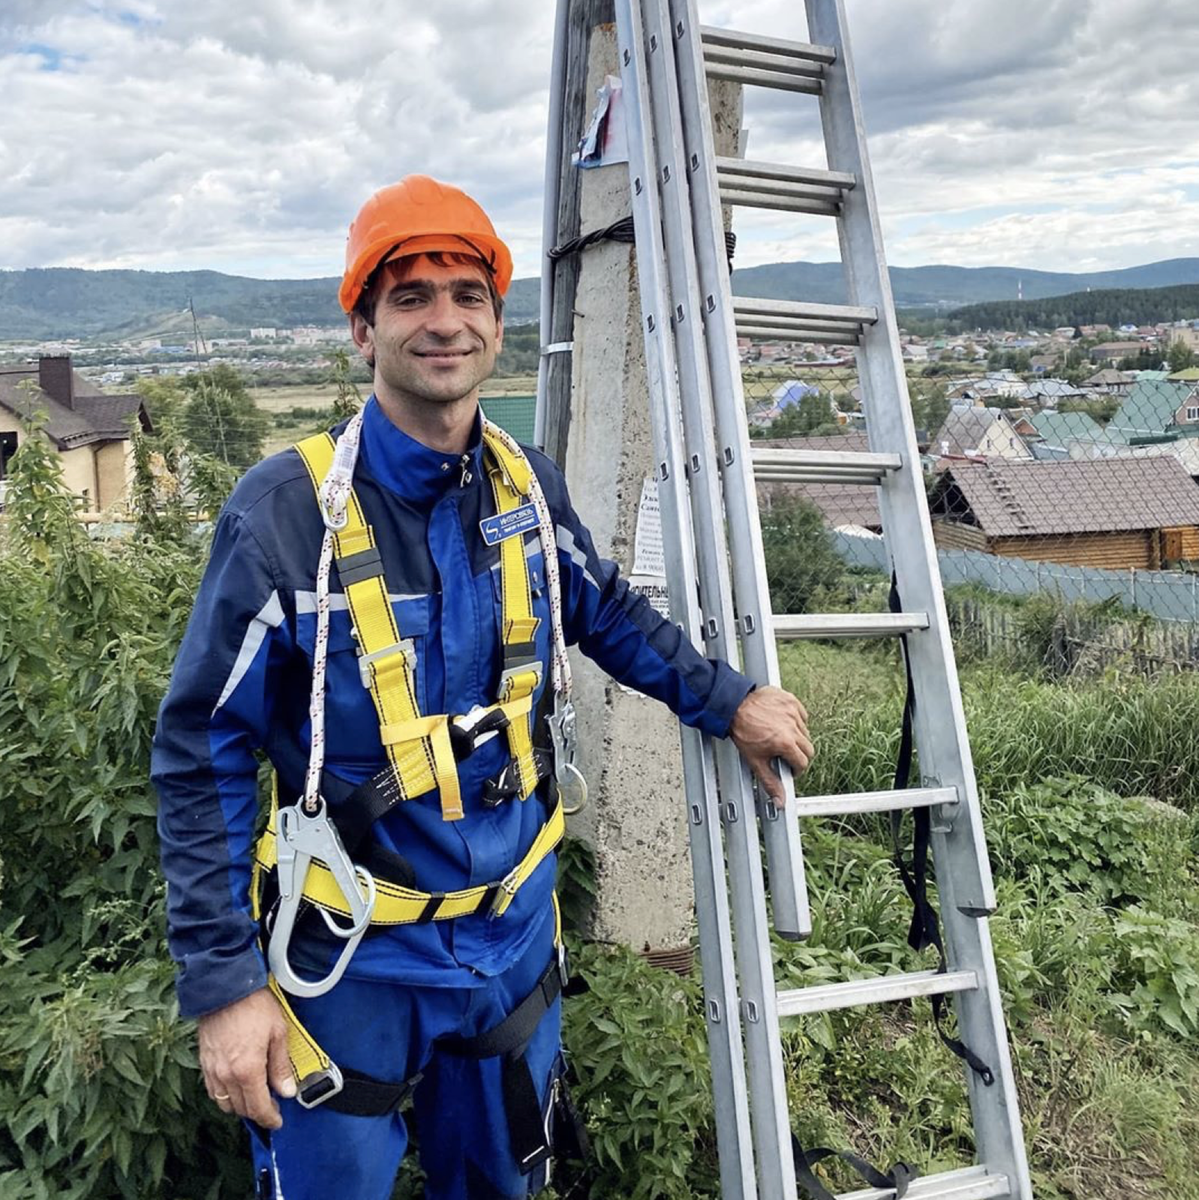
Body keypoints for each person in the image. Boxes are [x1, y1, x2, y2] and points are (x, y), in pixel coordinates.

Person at [152, 174, 812, 1200]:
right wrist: (225, 985)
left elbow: (606, 615)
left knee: (501, 1184)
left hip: (509, 946)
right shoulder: (284, 516)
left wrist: (727, 700)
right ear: (363, 329)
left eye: (465, 294)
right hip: (347, 965)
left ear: (498, 322)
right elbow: (204, 751)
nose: (442, 321)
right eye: (409, 297)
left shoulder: (525, 491)